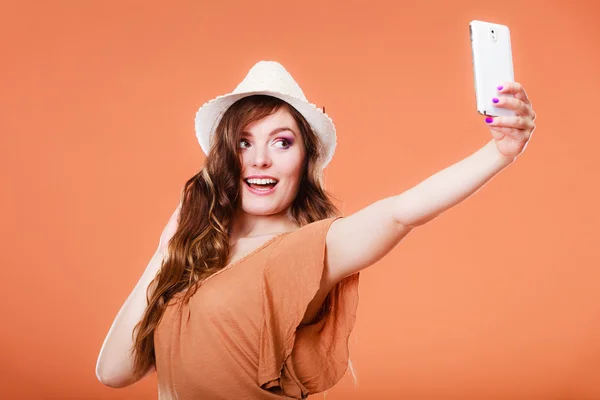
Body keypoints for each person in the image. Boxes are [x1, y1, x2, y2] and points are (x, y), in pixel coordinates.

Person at [96, 61, 536, 399]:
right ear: (225, 155)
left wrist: (500, 153)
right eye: (244, 142)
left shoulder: (312, 247)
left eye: (282, 142)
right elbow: (113, 372)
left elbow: (403, 211)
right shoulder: (195, 255)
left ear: (306, 160)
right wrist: (164, 252)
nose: (260, 159)